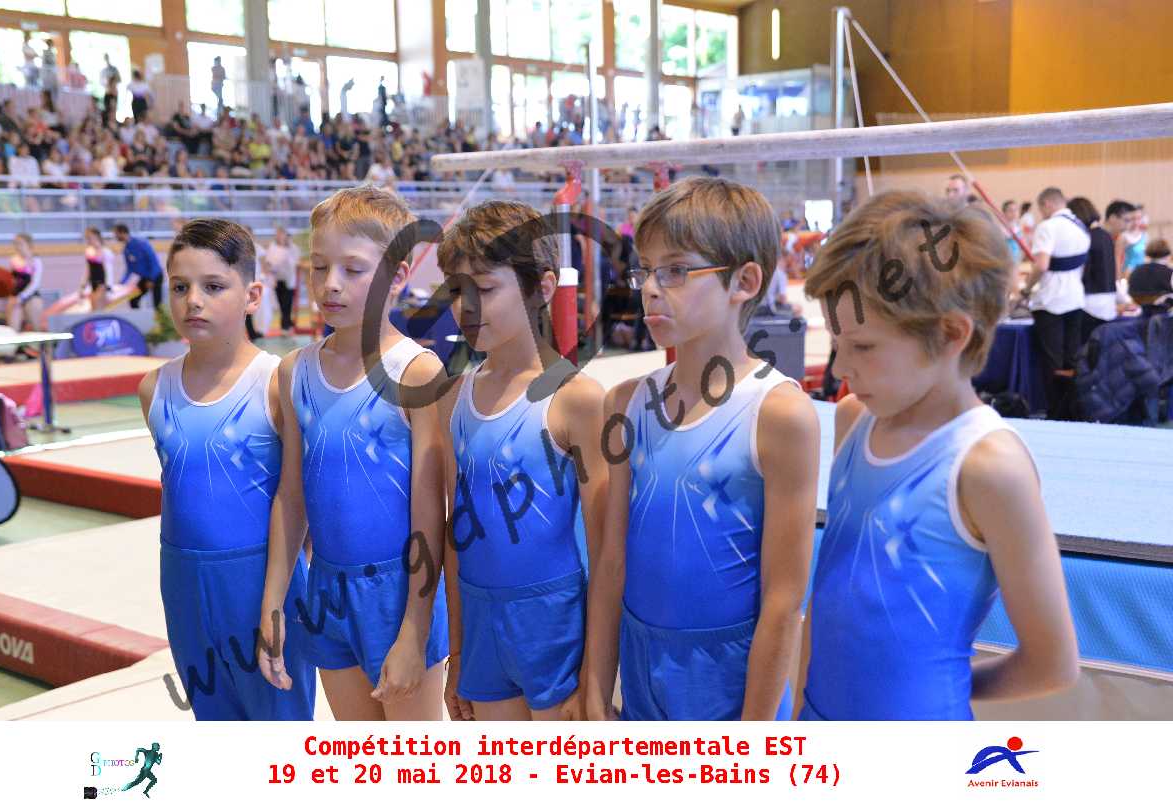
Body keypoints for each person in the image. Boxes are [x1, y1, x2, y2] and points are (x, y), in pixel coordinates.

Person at [797, 190, 1079, 720]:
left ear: (950, 334)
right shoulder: (854, 420)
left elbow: (1053, 663)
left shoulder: (989, 468)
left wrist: (936, 686)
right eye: (837, 342)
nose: (839, 368)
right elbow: (828, 597)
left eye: (863, 346)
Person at [584, 177, 819, 721]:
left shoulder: (779, 415)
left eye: (676, 271)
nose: (649, 288)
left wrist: (754, 738)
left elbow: (784, 601)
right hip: (641, 665)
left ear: (745, 281)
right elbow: (611, 561)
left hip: (731, 680)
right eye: (646, 269)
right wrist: (595, 686)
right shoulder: (625, 403)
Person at [260, 187, 449, 721]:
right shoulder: (295, 371)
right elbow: (291, 496)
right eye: (319, 267)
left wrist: (414, 629)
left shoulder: (417, 372)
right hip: (328, 590)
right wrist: (274, 600)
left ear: (398, 275)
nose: (331, 284)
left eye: (353, 269)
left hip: (400, 592)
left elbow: (430, 514)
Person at [435, 201, 607, 722]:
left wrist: (595, 678)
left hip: (554, 625)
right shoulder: (454, 397)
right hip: (480, 624)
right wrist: (458, 652)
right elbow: (457, 533)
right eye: (457, 290)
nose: (467, 307)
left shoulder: (576, 399)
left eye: (485, 289)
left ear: (544, 287)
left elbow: (607, 554)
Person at [137, 218, 316, 720]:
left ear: (252, 295)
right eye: (180, 287)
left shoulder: (277, 383)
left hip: (261, 580)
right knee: (213, 721)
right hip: (183, 581)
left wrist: (280, 598)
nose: (193, 301)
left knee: (278, 726)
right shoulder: (153, 389)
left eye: (213, 287)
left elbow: (298, 500)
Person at [1020, 186, 1091, 419]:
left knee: (1052, 360)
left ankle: (1055, 411)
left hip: (1051, 300)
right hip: (1076, 298)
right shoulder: (1081, 227)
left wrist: (1026, 289)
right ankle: (1073, 409)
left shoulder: (1048, 227)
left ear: (1047, 204)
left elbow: (1041, 265)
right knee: (1072, 358)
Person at [1067, 197, 1118, 344]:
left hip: (1089, 303)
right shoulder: (1106, 236)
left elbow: (1081, 272)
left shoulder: (1085, 237)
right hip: (1108, 302)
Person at [114, 224, 164, 309]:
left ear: (122, 232)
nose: (115, 237)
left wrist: (151, 279)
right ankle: (138, 317)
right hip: (145, 278)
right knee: (133, 299)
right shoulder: (126, 250)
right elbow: (129, 269)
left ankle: (161, 317)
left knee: (157, 304)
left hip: (155, 275)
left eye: (116, 234)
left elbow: (153, 261)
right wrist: (121, 283)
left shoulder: (141, 243)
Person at [263, 227, 300, 333]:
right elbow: (268, 262)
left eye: (282, 234)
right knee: (281, 303)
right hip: (277, 279)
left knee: (287, 302)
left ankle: (285, 325)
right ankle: (287, 323)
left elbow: (296, 261)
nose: (280, 236)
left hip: (289, 279)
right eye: (278, 234)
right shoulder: (272, 247)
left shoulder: (292, 247)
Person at [6, 233, 44, 331]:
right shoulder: (14, 259)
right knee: (12, 329)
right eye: (15, 243)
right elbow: (12, 280)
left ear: (28, 244)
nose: (17, 246)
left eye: (20, 243)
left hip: (31, 295)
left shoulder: (36, 260)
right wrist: (13, 297)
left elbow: (35, 283)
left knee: (36, 327)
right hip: (16, 295)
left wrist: (22, 296)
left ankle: (40, 341)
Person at [1127, 239, 1173, 316]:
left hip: (1139, 307)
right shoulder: (1169, 273)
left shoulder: (1136, 271)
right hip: (1163, 311)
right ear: (1168, 254)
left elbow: (1131, 291)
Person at [83, 226, 113, 310]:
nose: (88, 240)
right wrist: (83, 286)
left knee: (99, 307)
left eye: (89, 237)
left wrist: (108, 287)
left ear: (96, 236)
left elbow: (108, 271)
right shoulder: (88, 251)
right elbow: (88, 270)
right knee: (94, 309)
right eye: (87, 238)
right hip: (93, 283)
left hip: (102, 283)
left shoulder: (106, 252)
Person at [1001, 200, 1023, 264]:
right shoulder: (1001, 228)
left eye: (1015, 210)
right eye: (1010, 210)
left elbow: (1021, 246)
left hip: (1016, 259)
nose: (1014, 213)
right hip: (1005, 261)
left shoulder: (1018, 228)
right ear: (1004, 213)